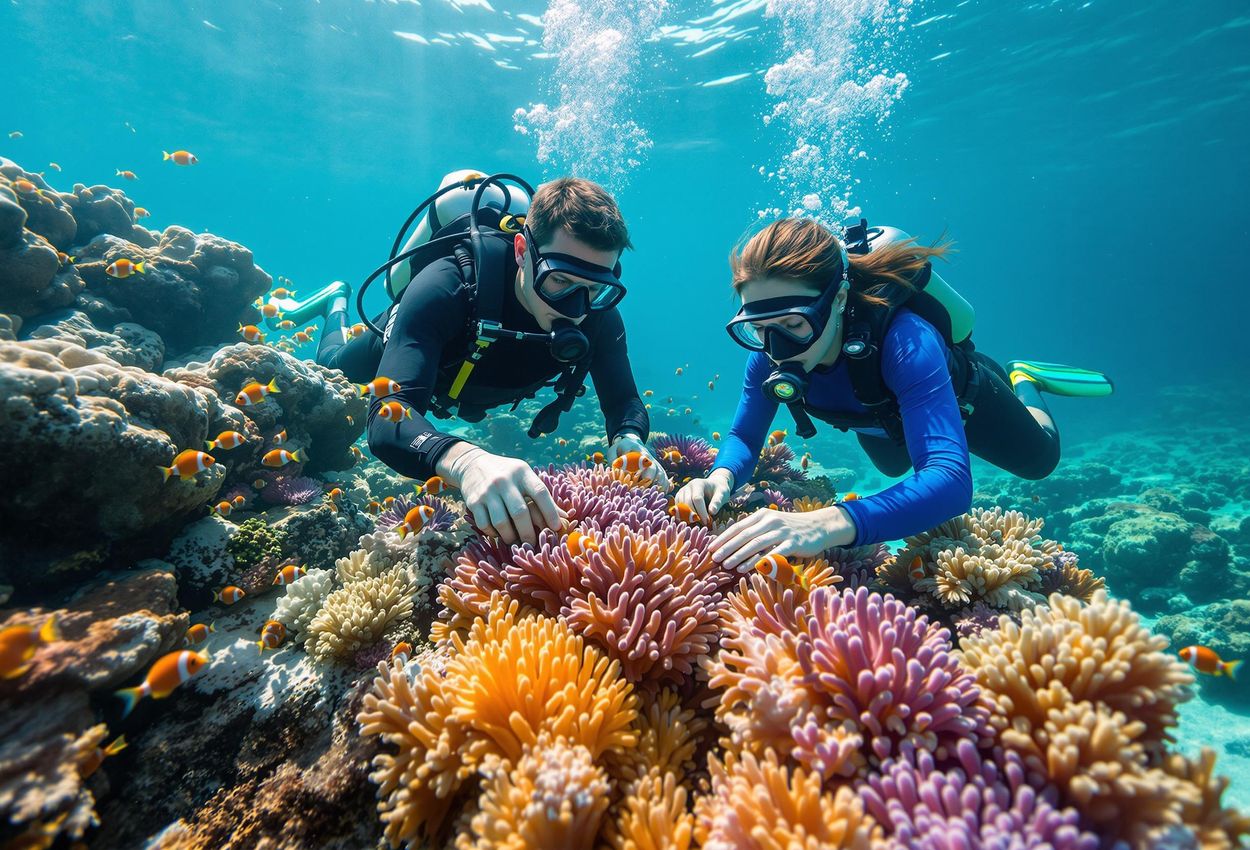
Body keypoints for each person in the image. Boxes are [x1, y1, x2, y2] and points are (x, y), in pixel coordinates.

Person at [675, 217, 1112, 572]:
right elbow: (744, 438)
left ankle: (1025, 380)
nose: (776, 349)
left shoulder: (907, 342)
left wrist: (828, 523)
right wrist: (721, 476)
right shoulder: (770, 354)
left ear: (840, 297)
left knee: (1040, 461)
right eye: (760, 328)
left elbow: (950, 481)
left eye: (793, 325)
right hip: (877, 417)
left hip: (963, 402)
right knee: (891, 463)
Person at [276, 173, 669, 546]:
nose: (575, 307)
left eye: (595, 288)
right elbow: (386, 416)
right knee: (329, 369)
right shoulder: (447, 285)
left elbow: (624, 402)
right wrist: (465, 461)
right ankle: (334, 302)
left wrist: (629, 439)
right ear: (522, 252)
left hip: (466, 382)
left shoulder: (598, 315)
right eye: (560, 281)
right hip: (409, 345)